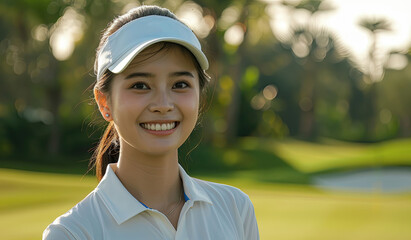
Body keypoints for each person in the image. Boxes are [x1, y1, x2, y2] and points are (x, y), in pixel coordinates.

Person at [43, 5, 259, 240]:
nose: (163, 104)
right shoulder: (71, 233)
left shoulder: (235, 208)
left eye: (180, 84)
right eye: (140, 85)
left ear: (199, 95)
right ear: (104, 102)